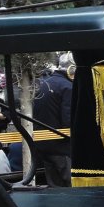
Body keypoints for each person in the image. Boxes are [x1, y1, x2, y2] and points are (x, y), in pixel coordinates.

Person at [33, 53, 75, 186]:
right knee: (71, 187)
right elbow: (68, 122)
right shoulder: (67, 87)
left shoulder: (45, 83)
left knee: (54, 188)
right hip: (62, 148)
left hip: (44, 144)